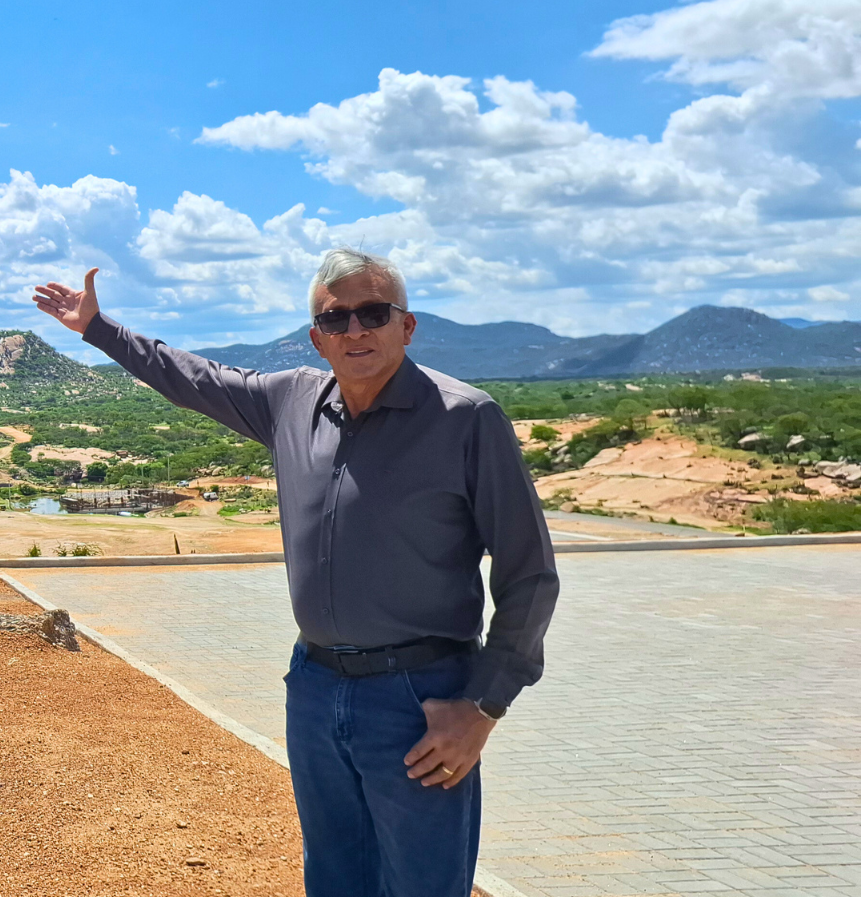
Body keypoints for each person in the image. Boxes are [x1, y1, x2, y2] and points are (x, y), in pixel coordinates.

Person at [33, 249, 559, 897]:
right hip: (314, 690)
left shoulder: (465, 420)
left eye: (373, 312)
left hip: (420, 701)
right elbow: (192, 377)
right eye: (336, 320)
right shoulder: (290, 402)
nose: (355, 330)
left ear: (407, 325)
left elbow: (530, 573)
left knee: (421, 884)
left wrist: (481, 706)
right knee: (334, 879)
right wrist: (98, 328)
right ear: (317, 338)